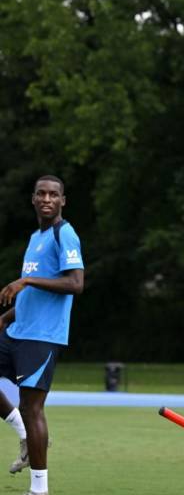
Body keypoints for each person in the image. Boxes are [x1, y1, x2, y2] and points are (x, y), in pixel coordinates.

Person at [0, 175, 85, 495]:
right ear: (33, 199)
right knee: (25, 414)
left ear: (63, 201)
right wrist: (6, 317)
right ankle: (22, 433)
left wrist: (26, 282)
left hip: (42, 337)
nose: (47, 199)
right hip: (19, 329)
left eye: (54, 194)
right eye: (41, 194)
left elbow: (76, 284)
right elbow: (32, 295)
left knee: (31, 406)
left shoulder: (66, 234)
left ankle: (39, 490)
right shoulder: (36, 236)